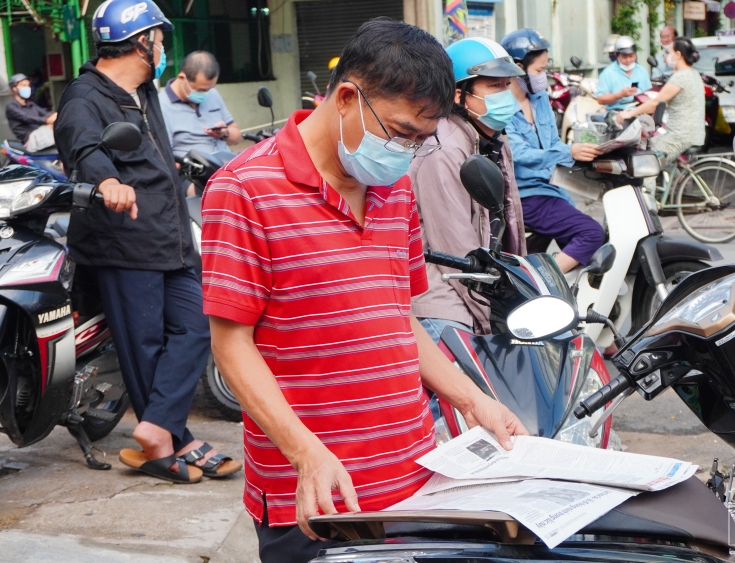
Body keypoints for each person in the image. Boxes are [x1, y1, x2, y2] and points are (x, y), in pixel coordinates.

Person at [201, 18, 528, 563]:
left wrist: (475, 402)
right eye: (402, 133)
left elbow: (398, 318)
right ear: (348, 97)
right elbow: (231, 345)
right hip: (316, 495)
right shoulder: (244, 189)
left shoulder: (392, 187)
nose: (407, 152)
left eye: (422, 142)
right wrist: (306, 454)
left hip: (416, 479)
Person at [54, 0, 240, 485]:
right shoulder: (84, 96)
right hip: (123, 239)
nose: (162, 49)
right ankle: (168, 440)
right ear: (141, 42)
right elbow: (83, 146)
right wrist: (107, 183)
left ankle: (157, 427)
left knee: (200, 324)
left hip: (169, 235)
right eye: (158, 40)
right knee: (145, 343)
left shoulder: (144, 92)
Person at [409, 37, 527, 341]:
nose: (506, 95)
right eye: (495, 87)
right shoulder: (444, 149)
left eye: (507, 85)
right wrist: (488, 319)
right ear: (459, 94)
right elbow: (456, 248)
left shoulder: (494, 138)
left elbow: (509, 219)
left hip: (482, 287)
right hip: (443, 295)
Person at [501, 29, 605, 274]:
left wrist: (587, 151)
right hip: (525, 195)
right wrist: (569, 152)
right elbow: (520, 154)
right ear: (517, 67)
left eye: (545, 69)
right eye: (538, 70)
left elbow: (554, 145)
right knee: (591, 233)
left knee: (585, 251)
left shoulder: (540, 99)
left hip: (552, 188)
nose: (543, 76)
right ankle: (538, 281)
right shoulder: (501, 107)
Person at [615, 37, 705, 164]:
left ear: (678, 55)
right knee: (651, 144)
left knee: (645, 165)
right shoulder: (694, 74)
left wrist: (628, 114)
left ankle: (648, 184)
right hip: (693, 134)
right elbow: (675, 102)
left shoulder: (681, 76)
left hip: (680, 136)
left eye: (668, 53)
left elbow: (655, 103)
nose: (664, 58)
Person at [160, 51, 242, 160]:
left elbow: (237, 137)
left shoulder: (213, 94)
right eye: (201, 90)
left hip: (227, 167)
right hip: (193, 174)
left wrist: (224, 133)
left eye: (209, 89)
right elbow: (164, 158)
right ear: (181, 78)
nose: (205, 94)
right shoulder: (162, 106)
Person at [595, 36, 652, 110]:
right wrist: (620, 94)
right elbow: (600, 99)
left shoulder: (642, 71)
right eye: (624, 57)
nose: (628, 60)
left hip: (639, 112)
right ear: (617, 55)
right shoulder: (607, 73)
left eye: (631, 56)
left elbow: (650, 94)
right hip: (616, 113)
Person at [6, 73, 58, 152]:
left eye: (28, 85)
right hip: (30, 140)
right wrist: (47, 120)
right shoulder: (11, 107)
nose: (27, 88)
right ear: (14, 88)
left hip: (41, 134)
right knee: (54, 126)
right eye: (23, 85)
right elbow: (27, 118)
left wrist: (56, 115)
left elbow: (45, 113)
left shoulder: (31, 104)